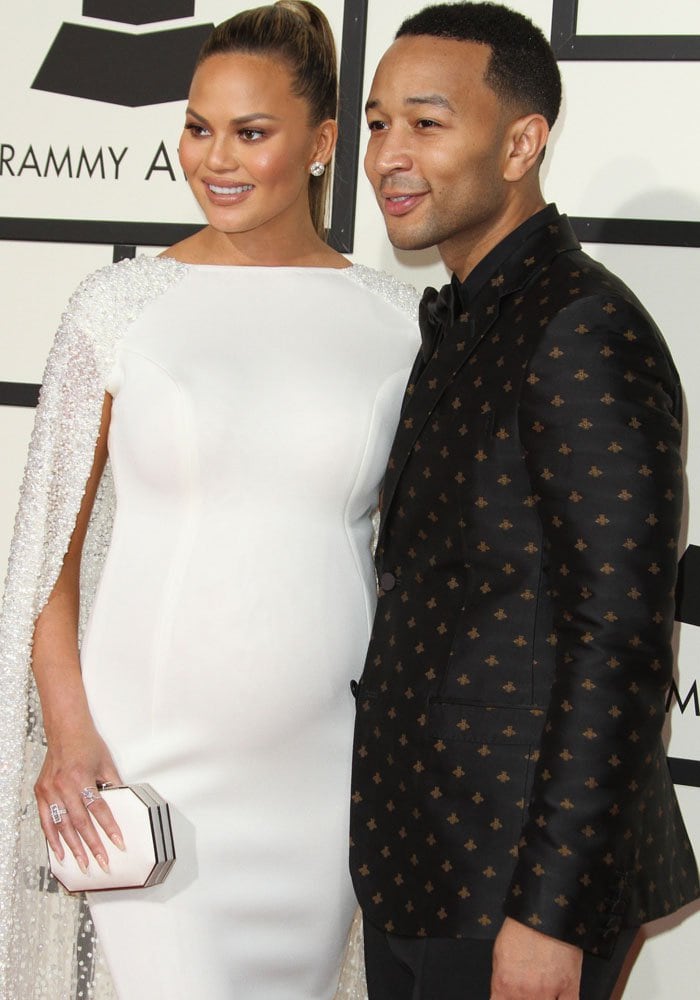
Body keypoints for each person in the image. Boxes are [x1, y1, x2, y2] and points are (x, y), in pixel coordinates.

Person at [0, 3, 419, 998]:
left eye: (250, 132)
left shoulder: (400, 322)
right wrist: (68, 731)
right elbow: (45, 551)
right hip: (147, 758)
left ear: (320, 145)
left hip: (326, 772)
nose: (214, 157)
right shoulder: (118, 308)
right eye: (197, 126)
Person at [349, 4, 700, 999]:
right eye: (377, 124)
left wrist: (549, 913)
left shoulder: (581, 327)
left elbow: (619, 639)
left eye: (426, 122)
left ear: (520, 143)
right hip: (423, 861)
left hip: (517, 883)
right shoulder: (462, 315)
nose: (389, 155)